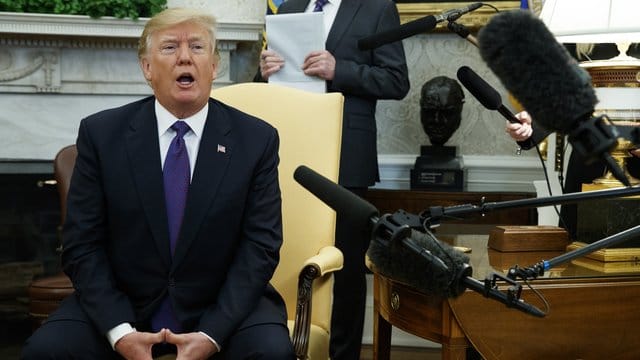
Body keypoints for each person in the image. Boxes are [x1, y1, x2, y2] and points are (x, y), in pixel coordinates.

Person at [22, 7, 294, 360]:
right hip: (125, 305)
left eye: (197, 47)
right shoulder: (101, 135)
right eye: (169, 48)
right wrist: (120, 332)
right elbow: (81, 245)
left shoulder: (256, 139)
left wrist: (212, 334)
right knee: (47, 351)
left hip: (223, 307)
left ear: (214, 67)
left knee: (271, 353)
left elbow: (261, 246)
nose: (184, 57)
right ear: (147, 68)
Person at [256, 0, 410, 358]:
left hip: (346, 153)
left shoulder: (376, 8)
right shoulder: (290, 5)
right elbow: (263, 85)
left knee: (346, 266)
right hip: (289, 149)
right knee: (280, 251)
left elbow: (396, 80)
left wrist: (339, 69)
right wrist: (263, 71)